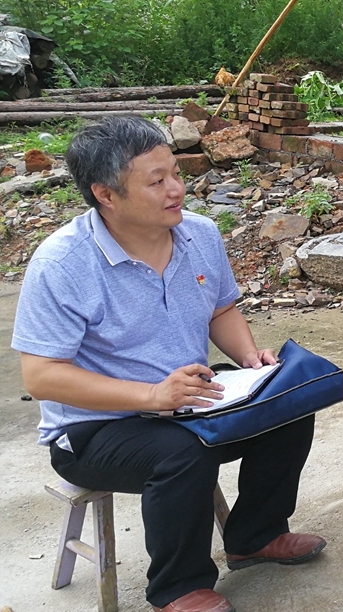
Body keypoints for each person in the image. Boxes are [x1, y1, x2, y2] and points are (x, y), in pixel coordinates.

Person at [11, 116, 325, 612]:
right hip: (96, 428)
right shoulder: (63, 265)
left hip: (186, 397)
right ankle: (178, 587)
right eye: (156, 181)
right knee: (183, 452)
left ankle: (254, 536)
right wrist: (152, 397)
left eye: (175, 173)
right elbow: (42, 376)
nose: (177, 189)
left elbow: (221, 308)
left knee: (290, 401)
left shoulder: (198, 233)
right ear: (106, 195)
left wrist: (247, 358)